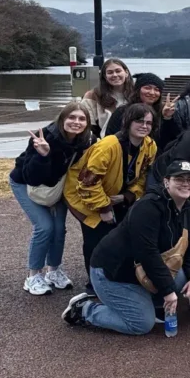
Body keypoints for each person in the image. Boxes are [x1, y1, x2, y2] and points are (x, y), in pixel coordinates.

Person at [61, 160, 190, 335]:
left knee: (182, 276)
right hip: (114, 273)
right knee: (142, 324)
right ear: (166, 182)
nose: (186, 184)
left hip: (142, 271)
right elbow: (146, 252)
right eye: (179, 179)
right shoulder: (148, 206)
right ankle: (84, 309)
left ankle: (146, 303)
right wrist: (167, 291)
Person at [64, 103, 158, 290]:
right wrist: (104, 208)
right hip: (84, 195)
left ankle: (117, 280)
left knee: (122, 236)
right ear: (128, 122)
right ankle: (94, 286)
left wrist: (129, 196)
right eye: (139, 121)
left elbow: (144, 177)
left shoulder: (149, 145)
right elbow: (87, 182)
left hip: (117, 195)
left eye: (149, 122)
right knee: (96, 239)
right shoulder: (108, 145)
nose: (144, 126)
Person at [11, 103, 94, 295]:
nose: (76, 122)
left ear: (87, 123)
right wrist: (44, 155)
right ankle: (33, 276)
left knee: (59, 229)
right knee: (44, 227)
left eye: (82, 119)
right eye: (72, 117)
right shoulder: (45, 137)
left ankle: (53, 271)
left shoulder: (86, 141)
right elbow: (32, 177)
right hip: (26, 183)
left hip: (57, 187)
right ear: (62, 119)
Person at [104, 73, 174, 149]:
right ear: (138, 90)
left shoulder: (163, 111)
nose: (152, 92)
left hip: (154, 155)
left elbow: (169, 141)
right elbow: (110, 137)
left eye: (157, 90)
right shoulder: (122, 111)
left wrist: (167, 118)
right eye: (147, 88)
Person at [80, 58, 133, 138]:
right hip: (104, 142)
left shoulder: (137, 94)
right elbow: (87, 126)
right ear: (105, 76)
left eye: (118, 71)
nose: (115, 75)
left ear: (126, 73)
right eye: (110, 72)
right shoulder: (92, 96)